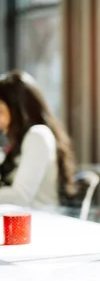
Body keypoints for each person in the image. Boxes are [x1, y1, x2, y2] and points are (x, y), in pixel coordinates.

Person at [0, 70, 76, 208]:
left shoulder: (38, 136)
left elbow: (21, 196)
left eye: (1, 112)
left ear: (19, 110)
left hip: (40, 222)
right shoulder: (23, 141)